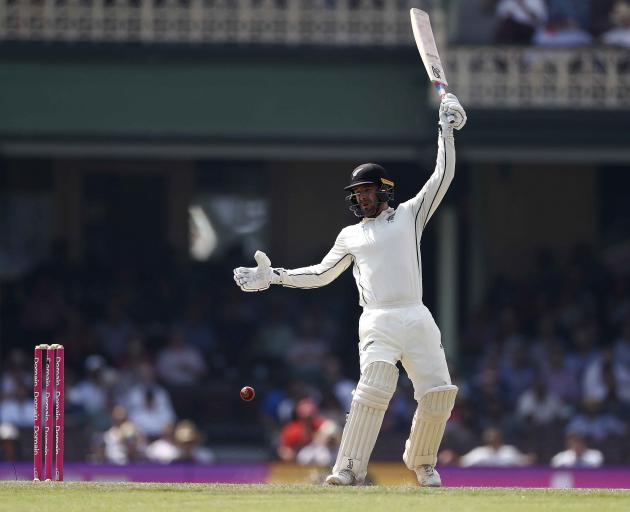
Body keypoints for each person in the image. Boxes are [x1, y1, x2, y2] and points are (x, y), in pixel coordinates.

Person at [234, 94, 467, 487]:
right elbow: (321, 274)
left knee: (439, 393)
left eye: (367, 190)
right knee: (374, 387)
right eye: (356, 193)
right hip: (377, 319)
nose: (360, 197)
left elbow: (441, 177)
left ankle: (423, 461)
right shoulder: (350, 235)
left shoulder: (409, 216)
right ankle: (347, 468)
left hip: (416, 313)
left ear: (384, 190)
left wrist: (446, 131)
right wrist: (274, 275)